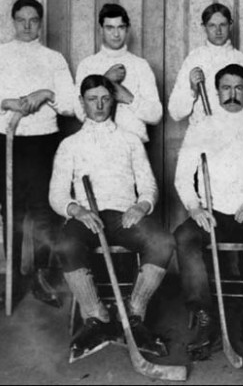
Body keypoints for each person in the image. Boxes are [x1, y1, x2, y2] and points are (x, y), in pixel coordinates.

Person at [49, 74, 174, 360]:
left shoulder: (130, 140)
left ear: (113, 100)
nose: (100, 105)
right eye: (92, 100)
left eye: (105, 98)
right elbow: (56, 194)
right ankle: (97, 316)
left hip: (124, 215)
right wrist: (77, 210)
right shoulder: (70, 145)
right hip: (86, 217)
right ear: (82, 103)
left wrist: (141, 206)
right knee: (66, 245)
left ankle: (134, 313)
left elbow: (149, 186)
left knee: (162, 241)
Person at [0, 0, 76, 309]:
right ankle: (12, 278)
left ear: (41, 23)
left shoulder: (53, 57)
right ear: (13, 21)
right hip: (9, 139)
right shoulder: (2, 54)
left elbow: (70, 103)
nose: (28, 26)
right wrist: (8, 103)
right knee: (12, 210)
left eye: (33, 20)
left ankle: (41, 278)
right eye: (21, 20)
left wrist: (46, 93)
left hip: (44, 142)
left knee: (44, 210)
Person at [174, 64, 243, 359]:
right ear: (217, 91)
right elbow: (183, 177)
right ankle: (204, 316)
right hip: (211, 211)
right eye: (226, 87)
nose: (232, 94)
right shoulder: (201, 129)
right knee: (184, 236)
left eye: (238, 88)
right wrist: (195, 208)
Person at [75, 3, 162, 143]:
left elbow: (156, 115)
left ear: (127, 29)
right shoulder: (87, 65)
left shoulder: (140, 65)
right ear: (100, 30)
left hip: (133, 145)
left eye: (120, 27)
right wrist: (105, 81)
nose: (116, 34)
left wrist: (129, 98)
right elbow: (80, 113)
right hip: (95, 145)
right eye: (110, 28)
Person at [168, 3, 243, 125]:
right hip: (201, 133)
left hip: (235, 134)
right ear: (204, 27)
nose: (218, 31)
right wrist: (193, 90)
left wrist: (237, 122)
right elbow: (175, 112)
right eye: (212, 26)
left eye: (223, 25)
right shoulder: (193, 60)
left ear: (230, 25)